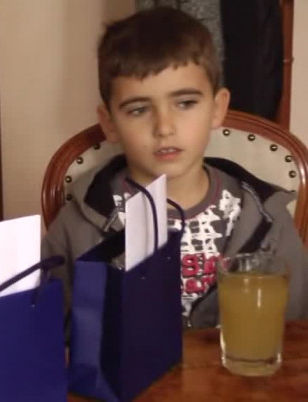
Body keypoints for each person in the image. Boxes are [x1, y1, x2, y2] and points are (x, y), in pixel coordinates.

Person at [42, 7, 307, 332]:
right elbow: (53, 337)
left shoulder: (267, 217)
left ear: (217, 108)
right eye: (138, 109)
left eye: (185, 103)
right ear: (109, 124)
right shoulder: (77, 225)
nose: (164, 127)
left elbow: (295, 336)